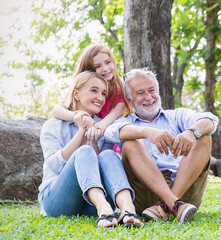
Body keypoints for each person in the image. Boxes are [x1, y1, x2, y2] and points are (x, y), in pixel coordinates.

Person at [104, 68, 219, 223]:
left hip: (185, 188)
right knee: (130, 142)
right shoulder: (126, 122)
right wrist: (146, 132)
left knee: (203, 137)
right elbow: (110, 131)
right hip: (145, 193)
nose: (148, 97)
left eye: (151, 90)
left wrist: (191, 133)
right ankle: (175, 205)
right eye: (140, 93)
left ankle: (167, 205)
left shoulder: (176, 116)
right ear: (129, 100)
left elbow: (210, 120)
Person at [38, 71, 143, 228]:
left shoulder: (103, 126)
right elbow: (54, 166)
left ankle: (128, 210)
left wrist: (93, 144)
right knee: (84, 151)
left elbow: (105, 170)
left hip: (90, 205)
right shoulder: (53, 125)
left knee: (108, 154)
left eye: (103, 93)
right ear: (76, 94)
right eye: (94, 90)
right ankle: (104, 209)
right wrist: (82, 133)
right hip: (56, 201)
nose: (100, 98)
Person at [51, 44, 130, 146]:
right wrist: (78, 116)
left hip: (106, 138)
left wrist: (98, 127)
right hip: (83, 135)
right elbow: (56, 110)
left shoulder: (119, 92)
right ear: (89, 71)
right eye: (98, 66)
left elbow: (113, 115)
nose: (105, 69)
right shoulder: (82, 93)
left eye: (108, 62)